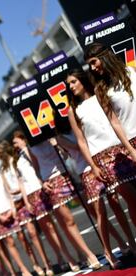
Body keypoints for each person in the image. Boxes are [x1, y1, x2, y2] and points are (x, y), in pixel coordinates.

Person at [66, 68, 136, 266]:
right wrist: (93, 166)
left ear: (82, 80)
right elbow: (81, 142)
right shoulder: (74, 111)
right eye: (69, 85)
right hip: (101, 158)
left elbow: (116, 120)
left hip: (120, 149)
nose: (71, 87)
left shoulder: (100, 94)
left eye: (73, 82)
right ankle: (118, 248)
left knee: (124, 202)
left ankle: (131, 242)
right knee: (128, 196)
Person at [27, 135, 100, 270]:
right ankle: (89, 254)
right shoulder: (31, 146)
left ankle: (106, 244)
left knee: (92, 207)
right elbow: (35, 168)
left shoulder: (52, 134)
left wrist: (57, 144)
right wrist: (42, 182)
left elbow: (67, 155)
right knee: (68, 220)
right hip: (51, 182)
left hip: (68, 174)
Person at [85, 42, 136, 227]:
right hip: (132, 142)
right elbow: (115, 122)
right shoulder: (101, 90)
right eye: (89, 65)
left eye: (93, 62)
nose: (92, 67)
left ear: (105, 56)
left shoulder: (131, 71)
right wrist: (130, 149)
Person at [0, 142, 54, 276]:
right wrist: (12, 205)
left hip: (27, 197)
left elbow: (22, 181)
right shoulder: (3, 171)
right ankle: (36, 264)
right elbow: (8, 191)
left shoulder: (16, 161)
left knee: (41, 229)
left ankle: (46, 263)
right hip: (17, 205)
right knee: (27, 236)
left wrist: (19, 191)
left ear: (2, 150)